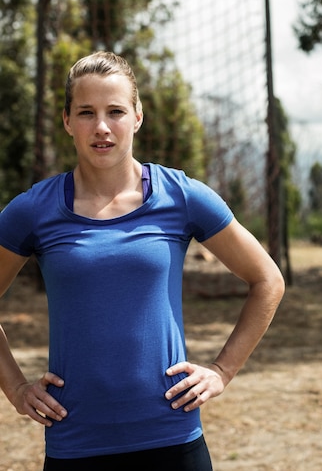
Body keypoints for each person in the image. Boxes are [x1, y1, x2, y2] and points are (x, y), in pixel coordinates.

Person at [0, 51, 285, 470]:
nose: (101, 127)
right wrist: (16, 388)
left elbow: (267, 280)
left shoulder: (182, 196)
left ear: (137, 116)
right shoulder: (32, 210)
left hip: (172, 438)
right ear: (66, 122)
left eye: (115, 111)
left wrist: (221, 371)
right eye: (85, 112)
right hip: (76, 442)